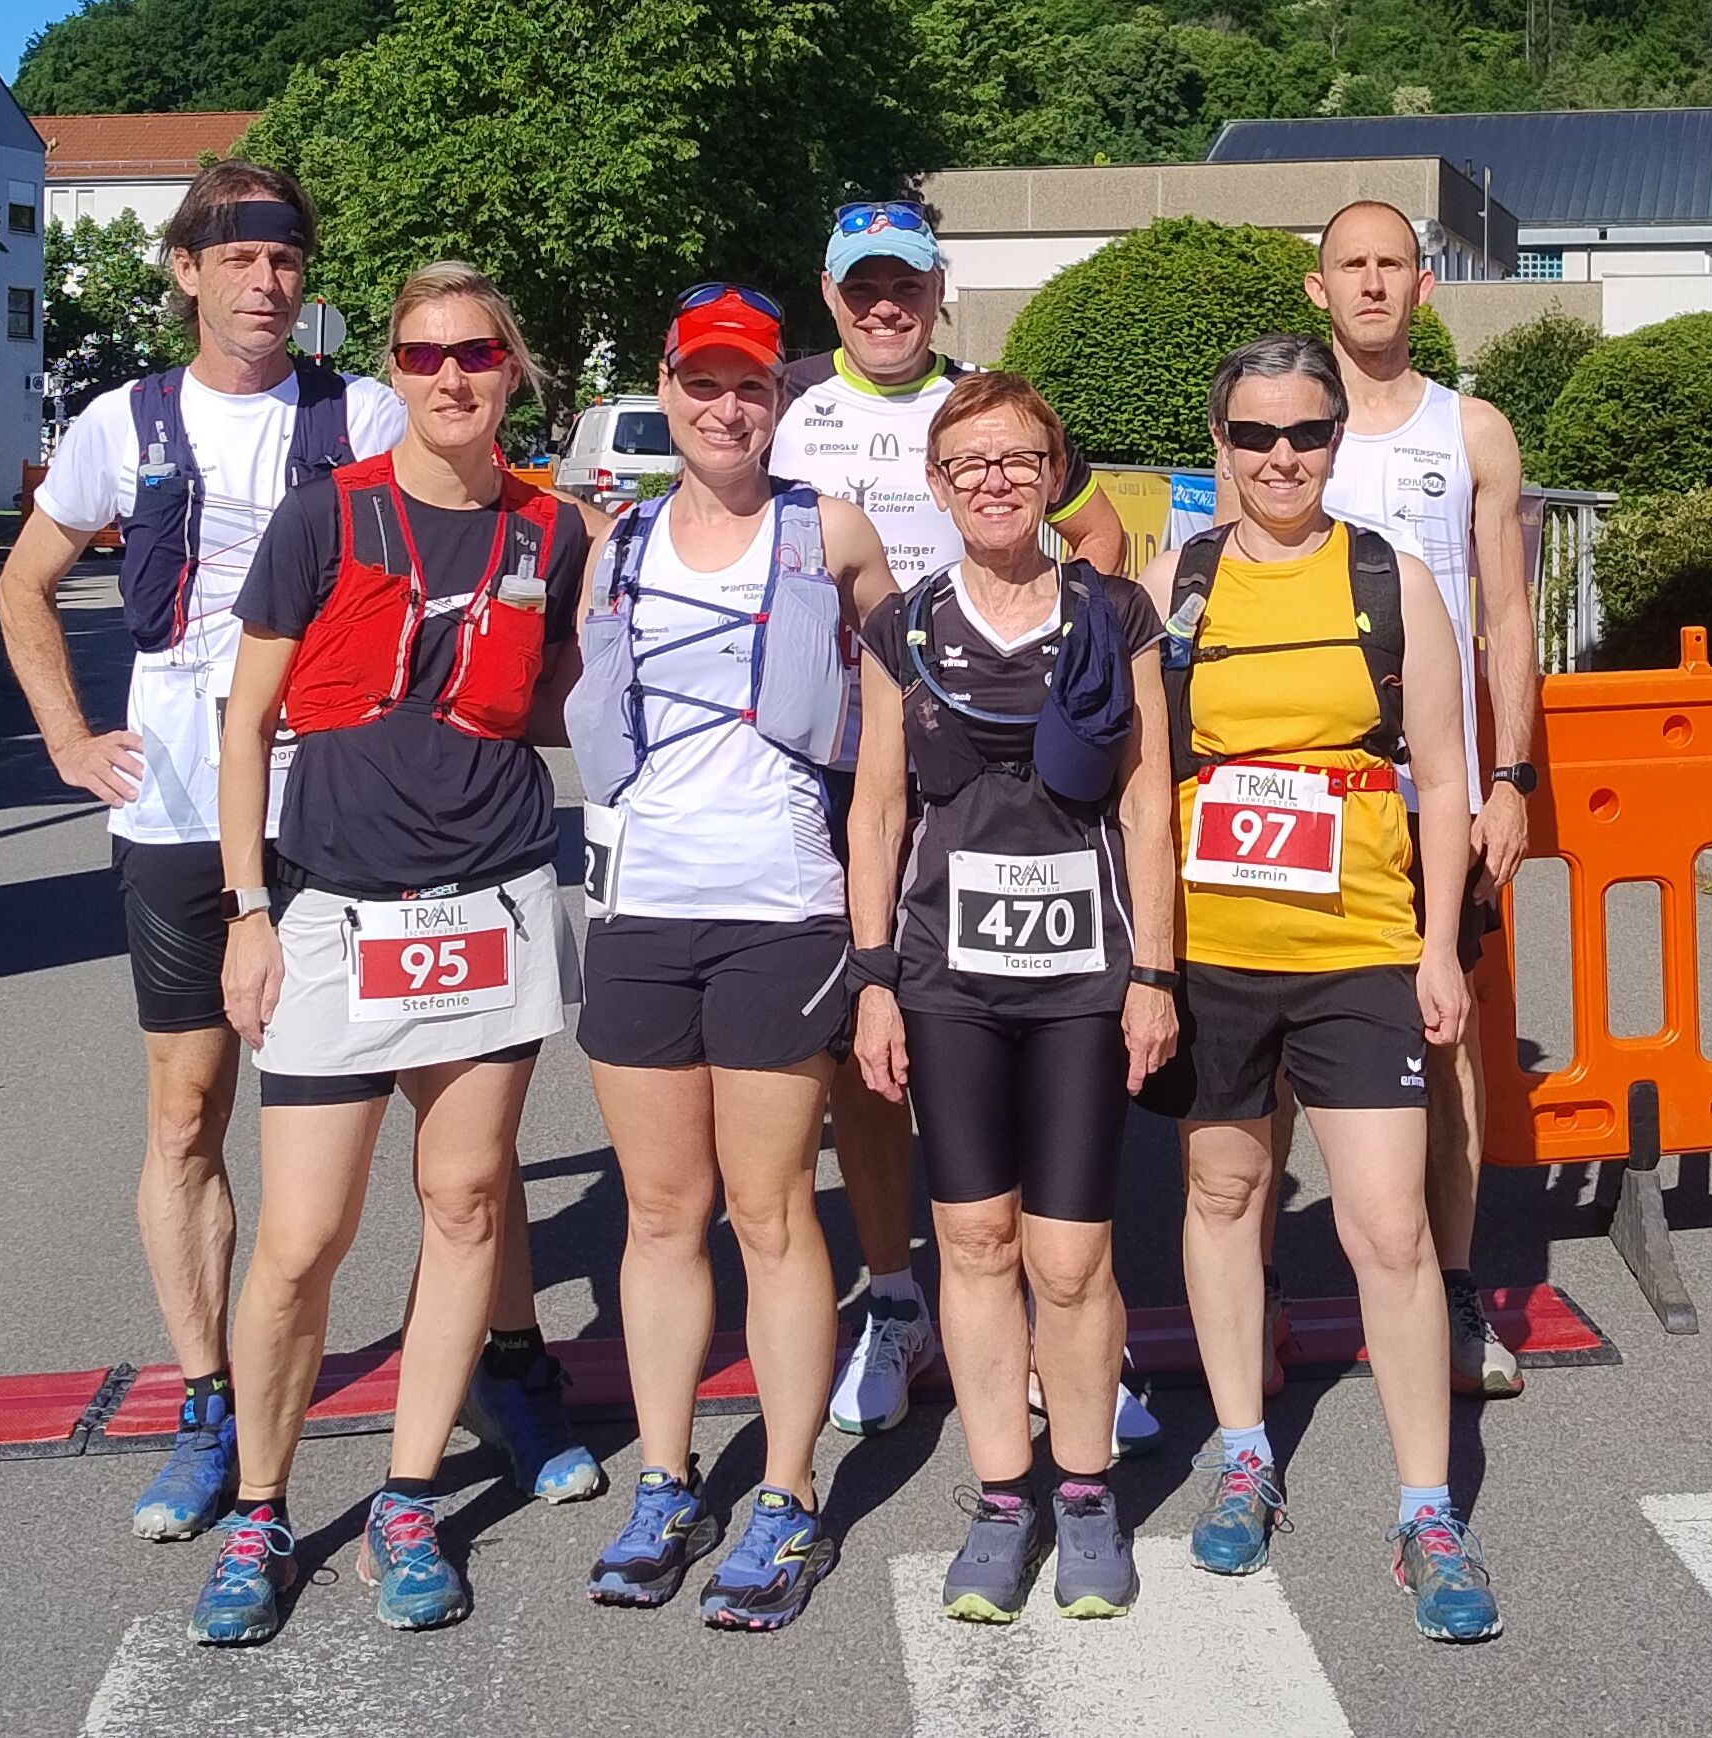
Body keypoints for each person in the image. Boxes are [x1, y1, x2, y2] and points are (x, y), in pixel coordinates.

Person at [0, 162, 407, 1543]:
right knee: (187, 1116)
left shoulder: (363, 413)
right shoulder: (126, 422)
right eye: (235, 258)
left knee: (427, 1109)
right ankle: (206, 1395)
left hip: (339, 808)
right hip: (174, 807)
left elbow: (491, 532)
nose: (264, 282)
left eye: (285, 257)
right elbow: (24, 579)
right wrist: (66, 738)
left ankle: (503, 1361)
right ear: (186, 273)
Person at [185, 262, 590, 1645]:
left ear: (510, 364)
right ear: (394, 370)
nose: (451, 376)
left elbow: (551, 699)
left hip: (490, 904)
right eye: (422, 356)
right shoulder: (327, 513)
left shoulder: (554, 525)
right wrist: (246, 908)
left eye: (476, 352)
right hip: (336, 906)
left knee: (469, 1197)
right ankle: (261, 1504)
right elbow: (244, 726)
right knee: (300, 1241)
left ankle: (410, 1501)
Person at [770, 200, 1148, 1453]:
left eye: (906, 285)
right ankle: (895, 1295)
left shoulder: (989, 405)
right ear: (830, 295)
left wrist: (1089, 621)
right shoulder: (785, 404)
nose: (885, 306)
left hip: (1005, 732)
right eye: (862, 286)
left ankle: (1076, 1331)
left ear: (937, 291)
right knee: (875, 1052)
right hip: (842, 747)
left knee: (1051, 1026)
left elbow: (1094, 534)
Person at [1144, 334, 1501, 1643]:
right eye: (1254, 437)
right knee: (1223, 1192)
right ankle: (1244, 1450)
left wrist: (1431, 947)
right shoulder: (1175, 579)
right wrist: (1149, 957)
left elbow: (1446, 770)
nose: (1280, 457)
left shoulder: (1386, 575)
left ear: (1333, 444)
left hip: (1356, 942)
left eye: (1304, 433)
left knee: (1387, 1227)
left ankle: (1423, 1510)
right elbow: (1140, 779)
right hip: (1215, 949)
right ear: (1220, 447)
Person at [567, 284, 893, 1630]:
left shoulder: (828, 528)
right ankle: (664, 1473)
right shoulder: (621, 539)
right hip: (640, 904)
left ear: (778, 397)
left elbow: (896, 685)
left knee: (767, 1213)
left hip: (780, 904)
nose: (724, 406)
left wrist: (873, 881)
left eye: (748, 384)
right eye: (701, 383)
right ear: (669, 387)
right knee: (659, 1212)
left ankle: (788, 1486)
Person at [848, 372, 1176, 1623]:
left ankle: (1084, 1493)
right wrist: (873, 980)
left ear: (1053, 475)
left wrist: (1155, 971)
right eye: (967, 463)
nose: (992, 481)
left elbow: (1146, 803)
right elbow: (877, 811)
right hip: (947, 980)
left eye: (1016, 460)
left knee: (1072, 1254)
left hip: (1084, 978)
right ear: (935, 486)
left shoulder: (1117, 612)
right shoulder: (905, 626)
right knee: (976, 1243)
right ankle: (1000, 1498)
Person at [1253, 200, 1538, 1400]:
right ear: (1315, 288)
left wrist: (1510, 776)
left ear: (1422, 287)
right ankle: (1254, 1288)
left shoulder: (1469, 429)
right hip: (1297, 795)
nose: (1371, 284)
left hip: (1434, 795)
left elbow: (1508, 618)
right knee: (1264, 1051)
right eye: (1349, 266)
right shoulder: (1276, 425)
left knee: (1447, 1038)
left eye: (1392, 266)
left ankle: (1456, 1284)